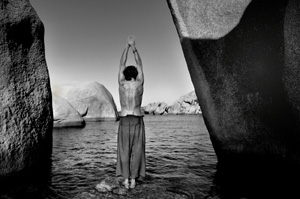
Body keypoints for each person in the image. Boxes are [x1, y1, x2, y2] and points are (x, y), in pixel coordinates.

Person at [116, 35, 145, 189]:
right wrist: (134, 47)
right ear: (136, 75)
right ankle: (134, 179)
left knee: (124, 149)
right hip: (137, 118)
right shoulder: (140, 84)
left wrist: (126, 47)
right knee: (138, 149)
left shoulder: (121, 84)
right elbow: (140, 63)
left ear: (125, 75)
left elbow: (122, 63)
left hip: (124, 119)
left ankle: (126, 180)